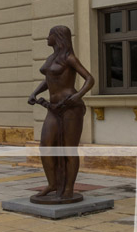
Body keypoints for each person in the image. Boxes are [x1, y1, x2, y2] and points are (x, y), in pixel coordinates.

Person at [28, 25, 94, 202]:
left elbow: (89, 79)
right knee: (46, 145)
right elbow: (49, 79)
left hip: (71, 107)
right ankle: (53, 183)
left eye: (49, 35)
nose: (46, 38)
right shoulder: (51, 58)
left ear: (57, 37)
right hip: (53, 107)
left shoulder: (69, 58)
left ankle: (69, 188)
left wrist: (78, 95)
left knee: (68, 149)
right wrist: (35, 92)